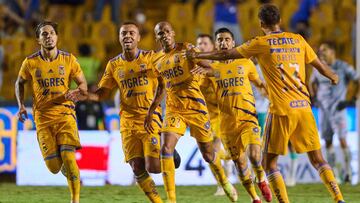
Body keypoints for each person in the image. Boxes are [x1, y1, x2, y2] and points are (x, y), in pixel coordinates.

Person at [186, 4, 345, 203]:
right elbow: (321, 67)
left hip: (281, 109)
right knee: (318, 159)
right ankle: (339, 198)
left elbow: (226, 55)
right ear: (280, 21)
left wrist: (198, 55)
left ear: (261, 24)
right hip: (304, 107)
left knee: (268, 164)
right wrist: (333, 76)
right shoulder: (298, 40)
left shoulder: (261, 43)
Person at [67, 22, 180, 203]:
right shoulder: (113, 65)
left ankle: (169, 153)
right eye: (124, 33)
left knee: (154, 167)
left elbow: (163, 85)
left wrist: (153, 110)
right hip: (127, 122)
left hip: (149, 118)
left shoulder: (151, 58)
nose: (127, 36)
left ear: (138, 38)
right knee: (137, 167)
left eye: (131, 33)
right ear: (119, 38)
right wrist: (84, 96)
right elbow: (102, 94)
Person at [144, 21, 237, 203]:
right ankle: (171, 199)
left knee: (209, 155)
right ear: (157, 37)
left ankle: (224, 182)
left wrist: (204, 68)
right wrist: (151, 110)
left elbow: (213, 70)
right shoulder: (156, 60)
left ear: (174, 33)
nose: (165, 35)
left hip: (196, 108)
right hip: (174, 109)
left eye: (167, 31)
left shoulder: (187, 49)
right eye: (161, 33)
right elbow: (161, 87)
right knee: (166, 148)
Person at [194, 28, 273, 203]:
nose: (223, 42)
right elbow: (199, 86)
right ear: (216, 44)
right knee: (240, 164)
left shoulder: (245, 63)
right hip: (227, 125)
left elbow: (260, 84)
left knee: (254, 155)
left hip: (247, 119)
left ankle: (260, 177)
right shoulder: (212, 69)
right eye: (220, 40)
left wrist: (271, 97)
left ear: (233, 43)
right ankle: (254, 198)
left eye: (226, 39)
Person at [15, 21, 87, 203]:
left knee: (69, 158)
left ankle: (75, 200)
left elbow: (83, 84)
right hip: (43, 118)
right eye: (44, 34)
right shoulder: (30, 62)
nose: (49, 37)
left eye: (52, 33)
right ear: (38, 39)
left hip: (65, 115)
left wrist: (78, 92)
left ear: (57, 36)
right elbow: (19, 83)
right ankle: (65, 170)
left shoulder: (69, 59)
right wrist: (21, 105)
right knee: (54, 167)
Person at [311, 41, 360, 184]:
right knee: (328, 141)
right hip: (324, 110)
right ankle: (335, 174)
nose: (321, 53)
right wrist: (314, 97)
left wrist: (354, 99)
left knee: (343, 140)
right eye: (320, 50)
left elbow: (358, 80)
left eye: (324, 50)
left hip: (338, 109)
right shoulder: (318, 67)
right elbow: (311, 82)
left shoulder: (343, 67)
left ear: (332, 51)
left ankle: (349, 172)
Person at [196, 33, 231, 196]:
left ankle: (222, 185)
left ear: (212, 47)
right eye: (199, 44)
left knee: (214, 148)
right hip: (205, 116)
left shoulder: (220, 66)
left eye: (204, 43)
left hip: (223, 114)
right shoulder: (195, 68)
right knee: (209, 154)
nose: (201, 46)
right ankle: (228, 163)